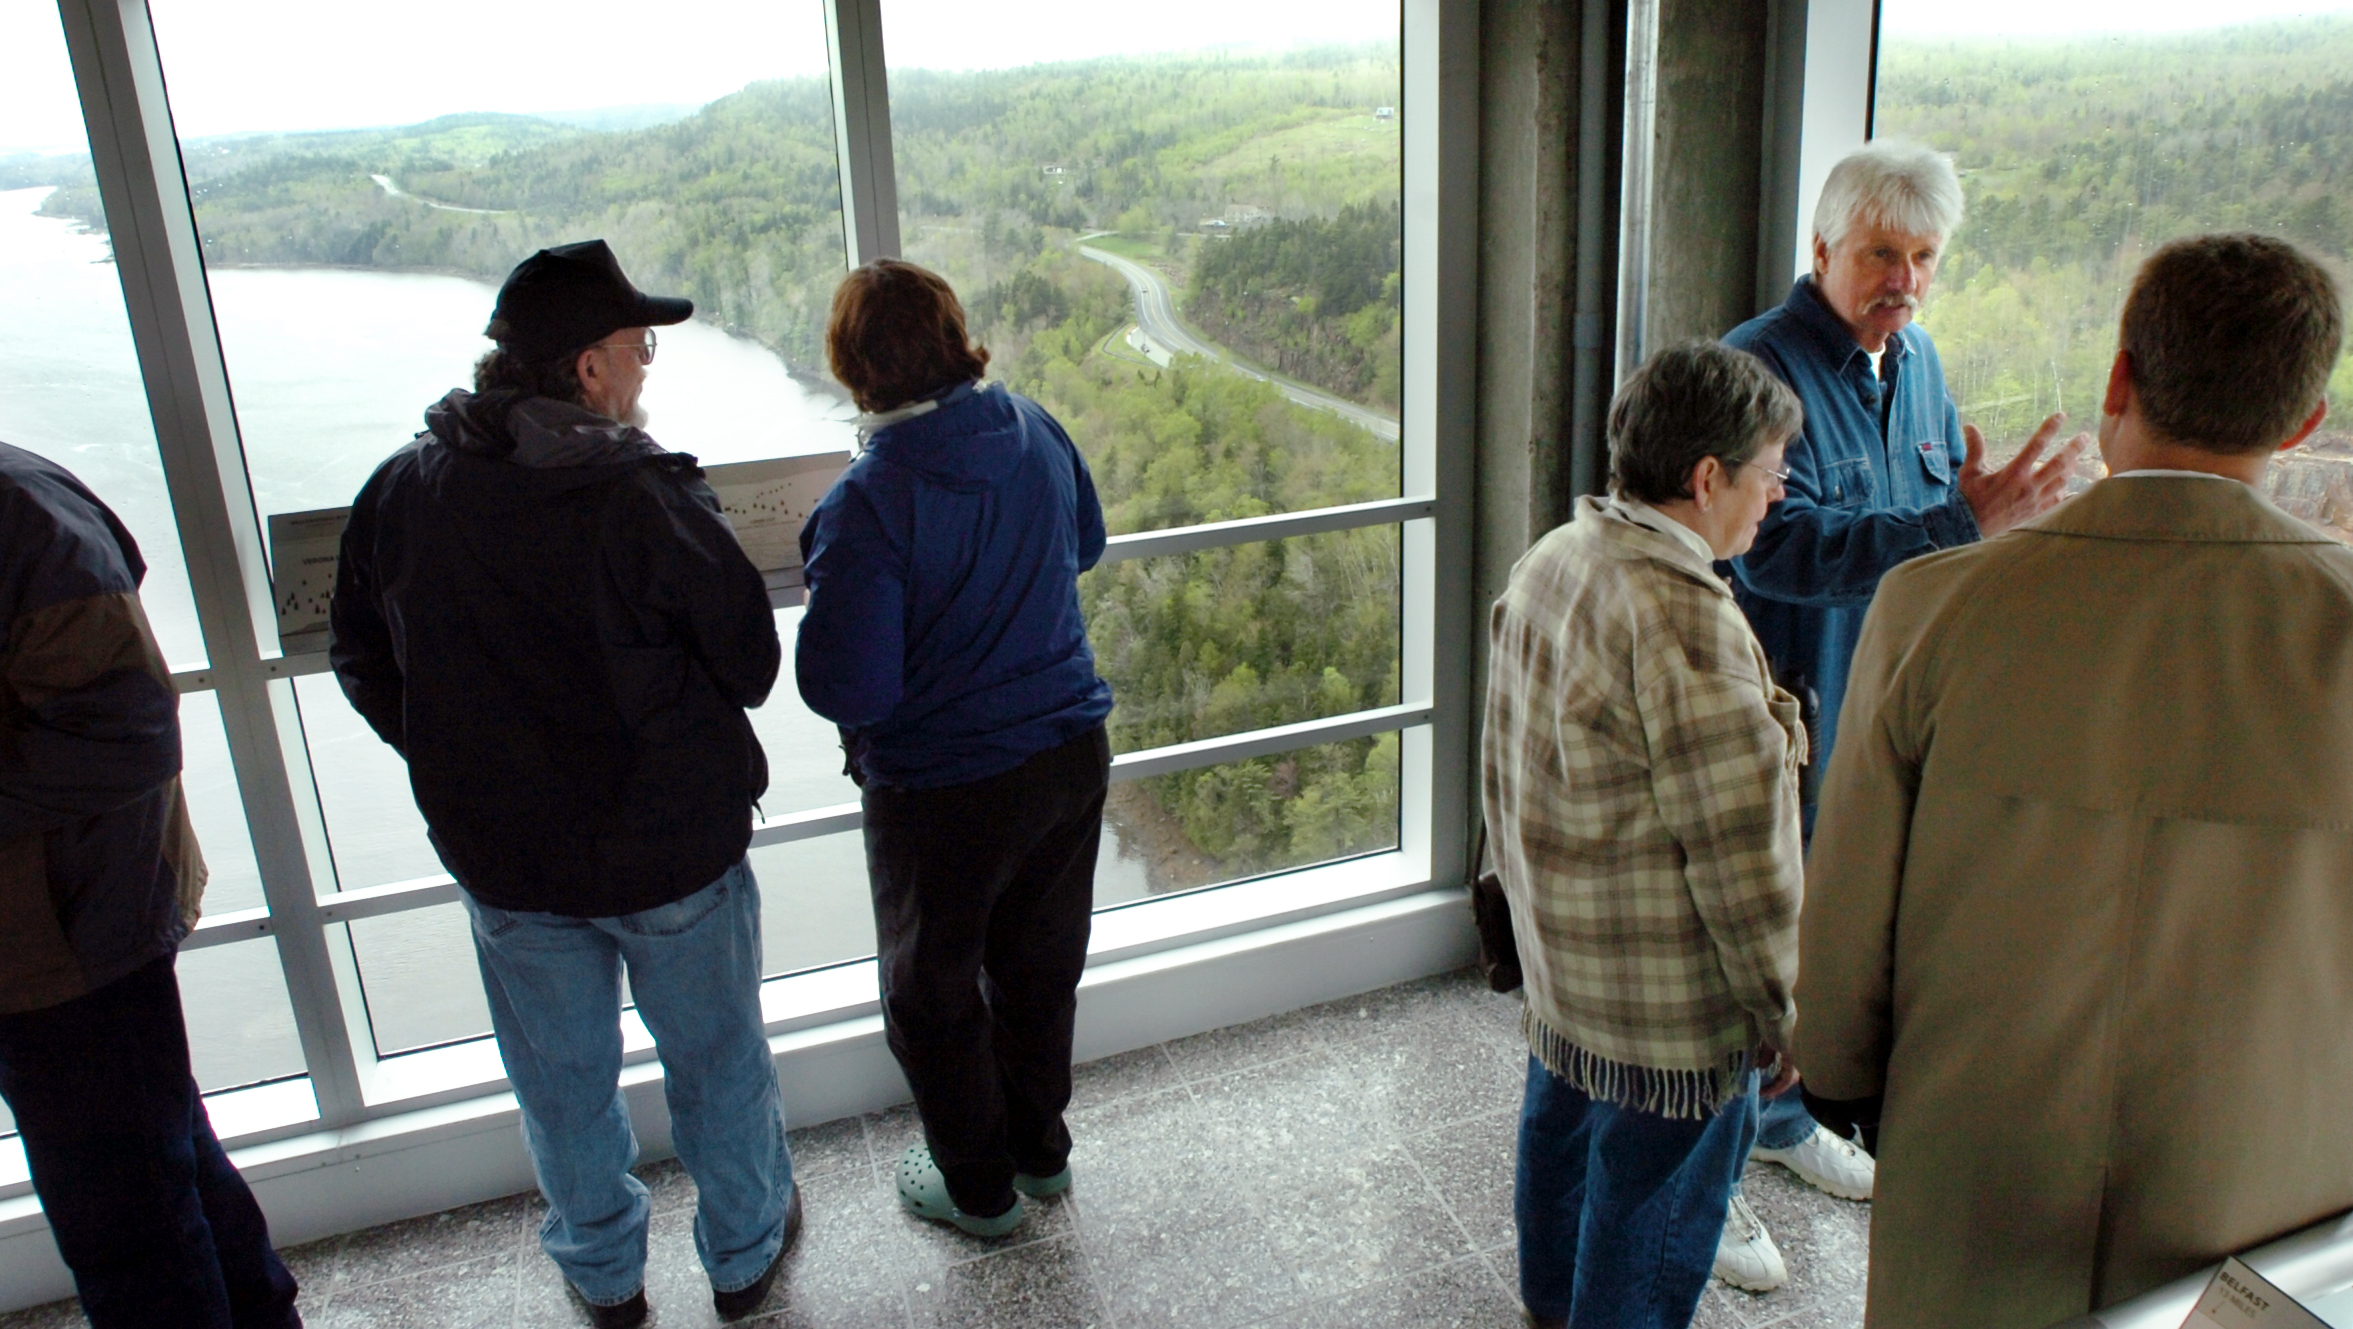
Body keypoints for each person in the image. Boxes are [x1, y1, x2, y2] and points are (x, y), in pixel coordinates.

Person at [1797, 233, 2353, 1328]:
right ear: (2302, 426)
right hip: (2261, 1190)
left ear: (2118, 378)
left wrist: (1837, 1072)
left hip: (1978, 1159)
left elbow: (1852, 890)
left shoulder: (1933, 606)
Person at [329, 240, 798, 1328]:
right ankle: (743, 1254)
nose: (646, 368)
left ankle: (602, 1277)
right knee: (718, 1061)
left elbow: (361, 653)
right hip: (670, 847)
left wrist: (447, 753)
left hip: (507, 859)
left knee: (560, 1082)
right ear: (587, 368)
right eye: (638, 348)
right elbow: (750, 663)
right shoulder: (641, 495)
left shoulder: (404, 487)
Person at [1712, 138, 2085, 1282]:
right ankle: (1708, 1175)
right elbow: (1774, 550)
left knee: (1819, 948)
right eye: (1881, 253)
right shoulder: (1753, 372)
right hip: (1774, 725)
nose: (1904, 280)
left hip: (1882, 716)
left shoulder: (1915, 364)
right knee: (1745, 954)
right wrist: (1961, 526)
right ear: (1821, 249)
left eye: (1923, 257)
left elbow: (1943, 514)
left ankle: (1776, 1128)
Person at [1483, 341, 1808, 1329]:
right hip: (1665, 1006)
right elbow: (1741, 856)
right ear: (1706, 478)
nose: (1777, 494)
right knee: (1653, 1203)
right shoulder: (1683, 617)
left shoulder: (1558, 554)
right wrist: (1785, 1015)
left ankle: (1550, 1305)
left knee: (1562, 1136)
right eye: (1769, 473)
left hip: (1565, 960)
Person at [797, 259, 1113, 1239]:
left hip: (946, 790)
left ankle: (978, 1193)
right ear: (953, 336)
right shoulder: (1033, 426)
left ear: (853, 367)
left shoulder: (869, 501)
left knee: (932, 997)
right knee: (1037, 966)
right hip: (1068, 751)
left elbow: (848, 688)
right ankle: (1040, 1155)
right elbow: (1087, 544)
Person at [0, 444, 301, 1328]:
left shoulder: (19, 512)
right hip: (55, 931)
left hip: (70, 936)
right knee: (159, 1157)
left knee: (124, 1220)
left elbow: (125, 733)